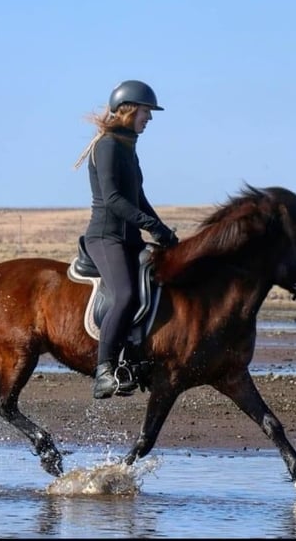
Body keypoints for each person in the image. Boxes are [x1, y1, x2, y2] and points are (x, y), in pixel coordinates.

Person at [74, 80, 179, 399]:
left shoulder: (127, 146)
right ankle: (104, 371)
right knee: (126, 294)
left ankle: (135, 359)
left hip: (130, 238)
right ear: (129, 110)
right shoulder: (106, 145)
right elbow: (115, 199)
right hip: (106, 238)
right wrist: (150, 225)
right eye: (146, 112)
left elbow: (139, 196)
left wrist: (163, 230)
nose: (149, 118)